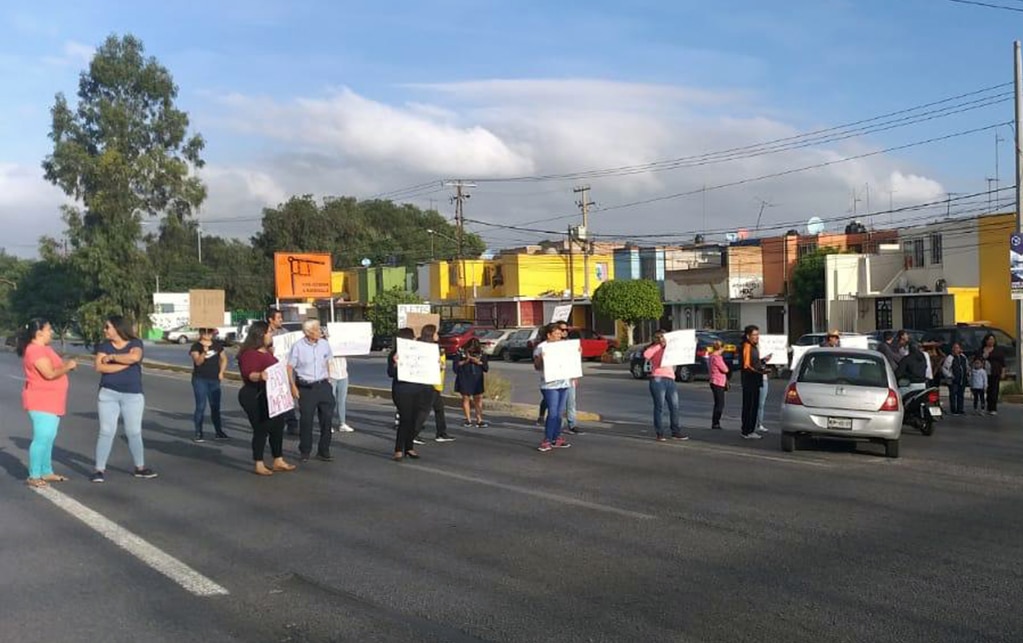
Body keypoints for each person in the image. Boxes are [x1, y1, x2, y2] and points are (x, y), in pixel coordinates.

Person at [91, 315, 156, 483]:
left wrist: (112, 358)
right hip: (108, 393)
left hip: (132, 394)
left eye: (108, 327)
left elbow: (135, 357)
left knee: (133, 432)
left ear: (118, 328)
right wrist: (124, 364)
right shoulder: (104, 345)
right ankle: (99, 469)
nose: (105, 330)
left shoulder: (135, 343)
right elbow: (99, 366)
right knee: (106, 431)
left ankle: (139, 467)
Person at [18, 319, 77, 488]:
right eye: (49, 329)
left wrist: (65, 367)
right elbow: (49, 374)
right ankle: (34, 475)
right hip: (41, 401)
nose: (51, 332)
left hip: (53, 400)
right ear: (39, 333)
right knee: (42, 438)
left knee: (49, 437)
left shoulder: (45, 348)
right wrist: (69, 366)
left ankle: (46, 471)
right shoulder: (35, 351)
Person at [236, 321, 296, 476]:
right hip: (254, 395)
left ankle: (278, 459)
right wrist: (260, 376)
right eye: (269, 332)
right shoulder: (249, 354)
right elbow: (249, 373)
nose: (271, 335)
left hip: (272, 395)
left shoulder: (268, 352)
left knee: (277, 427)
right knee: (261, 428)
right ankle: (259, 462)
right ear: (260, 335)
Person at [287, 319, 335, 462]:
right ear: (308, 332)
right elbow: (289, 367)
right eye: (317, 329)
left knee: (327, 419)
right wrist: (293, 386)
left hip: (323, 385)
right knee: (307, 420)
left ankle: (324, 450)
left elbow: (327, 361)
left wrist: (329, 378)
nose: (320, 331)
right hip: (306, 387)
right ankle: (305, 451)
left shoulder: (324, 344)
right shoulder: (298, 347)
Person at [388, 328, 433, 461]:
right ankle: (398, 449)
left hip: (418, 390)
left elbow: (426, 368)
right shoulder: (394, 354)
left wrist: (435, 366)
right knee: (405, 419)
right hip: (402, 391)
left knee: (414, 420)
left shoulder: (420, 352)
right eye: (412, 337)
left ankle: (409, 447)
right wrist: (396, 364)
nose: (414, 339)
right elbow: (391, 373)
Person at [533, 323, 575, 452]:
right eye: (556, 334)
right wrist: (541, 358)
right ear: (549, 335)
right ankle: (547, 439)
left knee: (559, 413)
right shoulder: (542, 347)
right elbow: (537, 367)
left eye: (560, 334)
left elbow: (571, 361)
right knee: (552, 412)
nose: (559, 336)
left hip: (563, 382)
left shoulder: (564, 346)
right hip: (549, 385)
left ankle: (556, 437)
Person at [642, 330, 687, 441]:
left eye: (664, 337)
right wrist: (659, 346)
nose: (662, 339)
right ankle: (659, 433)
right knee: (659, 406)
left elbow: (683, 352)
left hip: (670, 378)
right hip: (658, 378)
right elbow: (646, 355)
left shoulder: (670, 348)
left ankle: (675, 431)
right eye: (660, 337)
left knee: (674, 406)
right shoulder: (655, 348)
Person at [414, 325, 454, 444]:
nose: (438, 335)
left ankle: (441, 433)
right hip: (429, 383)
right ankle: (413, 434)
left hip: (435, 383)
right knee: (424, 410)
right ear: (431, 334)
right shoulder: (428, 348)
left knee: (439, 408)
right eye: (436, 333)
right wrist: (439, 365)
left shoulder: (431, 347)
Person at [188, 327, 228, 443]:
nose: (209, 334)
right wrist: (204, 352)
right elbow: (198, 362)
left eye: (211, 332)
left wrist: (221, 372)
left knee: (215, 407)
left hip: (214, 379)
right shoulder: (196, 346)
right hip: (200, 379)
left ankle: (219, 432)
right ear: (201, 333)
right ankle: (198, 432)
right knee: (201, 406)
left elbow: (224, 359)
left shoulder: (217, 345)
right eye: (207, 332)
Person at [267, 307, 299, 436]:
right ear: (271, 319)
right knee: (274, 399)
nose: (281, 320)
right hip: (272, 372)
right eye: (279, 318)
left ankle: (292, 424)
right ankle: (272, 424)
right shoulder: (265, 333)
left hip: (285, 370)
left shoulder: (285, 332)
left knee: (288, 398)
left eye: (281, 317)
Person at [739, 325, 770, 440]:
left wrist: (763, 361)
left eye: (758, 334)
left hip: (755, 379)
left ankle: (749, 430)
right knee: (750, 406)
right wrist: (759, 371)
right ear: (748, 336)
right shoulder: (747, 346)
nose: (757, 337)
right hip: (750, 380)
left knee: (754, 405)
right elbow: (746, 365)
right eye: (755, 335)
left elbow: (754, 362)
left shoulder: (753, 346)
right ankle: (747, 430)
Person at [454, 337, 489, 427]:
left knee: (478, 398)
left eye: (474, 349)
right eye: (471, 348)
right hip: (464, 377)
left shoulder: (481, 353)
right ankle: (468, 420)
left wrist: (478, 362)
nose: (472, 350)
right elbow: (455, 366)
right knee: (466, 398)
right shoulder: (461, 351)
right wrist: (466, 361)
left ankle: (479, 420)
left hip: (477, 378)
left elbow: (486, 368)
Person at [978, 333, 1005, 416]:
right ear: (986, 341)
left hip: (995, 372)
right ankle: (986, 407)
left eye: (993, 340)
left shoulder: (998, 350)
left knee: (994, 390)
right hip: (984, 373)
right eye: (989, 339)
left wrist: (1003, 372)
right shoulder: (982, 350)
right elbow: (977, 359)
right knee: (987, 391)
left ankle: (993, 408)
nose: (991, 341)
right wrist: (984, 355)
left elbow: (1002, 363)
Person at [327, 348, 354, 434]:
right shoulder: (325, 344)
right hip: (331, 375)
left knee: (341, 401)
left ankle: (342, 423)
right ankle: (328, 424)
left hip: (343, 374)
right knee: (330, 401)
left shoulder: (342, 346)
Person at [941, 342, 969, 415]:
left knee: (961, 395)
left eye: (957, 348)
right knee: (953, 395)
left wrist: (968, 373)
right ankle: (953, 409)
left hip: (962, 379)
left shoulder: (963, 357)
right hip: (953, 380)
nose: (956, 349)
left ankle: (960, 409)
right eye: (954, 348)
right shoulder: (950, 358)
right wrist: (949, 375)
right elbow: (944, 368)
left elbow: (966, 366)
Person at [707, 340, 729, 430]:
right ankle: (716, 423)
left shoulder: (711, 356)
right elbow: (725, 369)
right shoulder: (717, 358)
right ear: (721, 348)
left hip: (713, 381)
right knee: (720, 404)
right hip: (718, 382)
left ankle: (715, 422)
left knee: (717, 403)